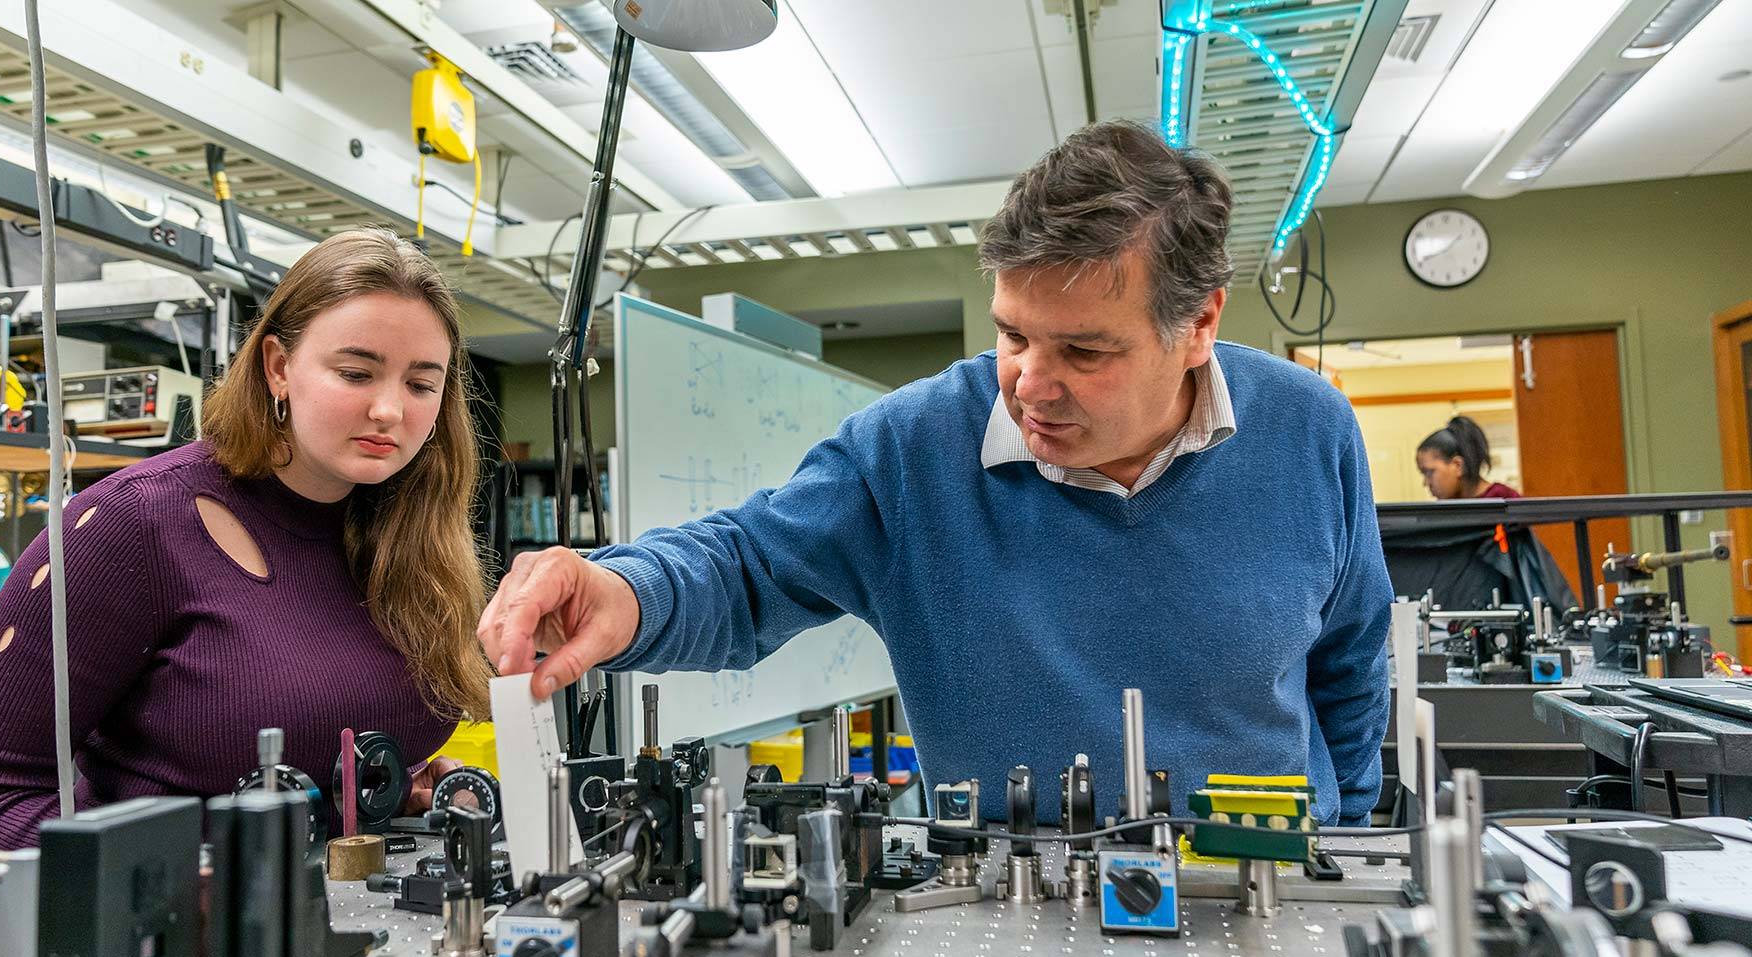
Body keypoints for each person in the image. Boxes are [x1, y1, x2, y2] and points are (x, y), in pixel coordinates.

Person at [478, 121, 1391, 825]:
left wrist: (1345, 839)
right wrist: (622, 591)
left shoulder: (1308, 431)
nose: (1031, 384)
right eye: (1012, 334)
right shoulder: (914, 448)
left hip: (1262, 889)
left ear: (1197, 327)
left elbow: (1351, 662)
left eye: (1083, 349)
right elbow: (746, 566)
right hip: (1009, 903)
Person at [0, 228, 492, 863]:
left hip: (355, 933)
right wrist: (176, 888)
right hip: (178, 944)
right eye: (356, 373)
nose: (390, 410)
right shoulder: (131, 526)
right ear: (278, 367)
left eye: (421, 385)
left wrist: (389, 787)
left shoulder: (408, 535)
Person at [1416, 415, 1521, 500]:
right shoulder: (1446, 508)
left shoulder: (1505, 500)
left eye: (1429, 472)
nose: (1426, 483)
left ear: (1458, 466)